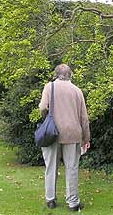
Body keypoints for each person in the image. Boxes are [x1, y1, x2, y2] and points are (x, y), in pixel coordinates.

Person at [39, 64, 90, 211]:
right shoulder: (77, 91)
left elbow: (43, 107)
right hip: (73, 134)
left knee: (51, 167)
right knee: (72, 168)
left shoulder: (49, 87)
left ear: (56, 74)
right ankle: (73, 202)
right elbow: (84, 118)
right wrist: (86, 138)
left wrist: (46, 117)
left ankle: (50, 200)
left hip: (52, 133)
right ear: (70, 75)